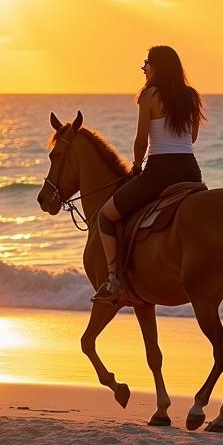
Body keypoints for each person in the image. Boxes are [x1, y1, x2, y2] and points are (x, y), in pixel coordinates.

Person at [91, 45, 206, 305]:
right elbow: (193, 137)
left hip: (160, 173)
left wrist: (137, 165)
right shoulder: (191, 96)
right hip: (191, 171)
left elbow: (141, 139)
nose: (143, 68)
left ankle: (112, 279)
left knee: (106, 215)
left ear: (157, 67)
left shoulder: (149, 95)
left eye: (146, 63)